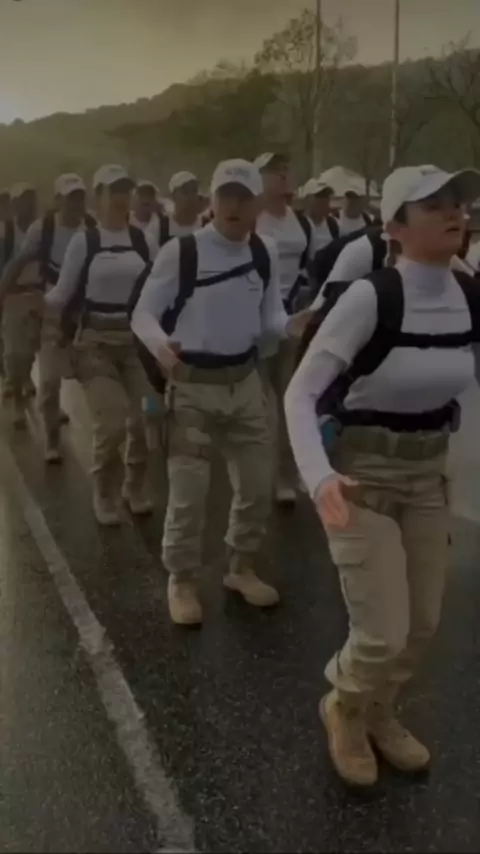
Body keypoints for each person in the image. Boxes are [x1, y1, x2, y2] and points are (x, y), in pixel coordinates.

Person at [285, 164, 480, 788]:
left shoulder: (470, 294)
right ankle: (344, 706)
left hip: (427, 475)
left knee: (421, 625)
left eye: (457, 201)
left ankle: (378, 709)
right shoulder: (371, 297)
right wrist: (319, 478)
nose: (454, 211)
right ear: (394, 227)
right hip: (360, 476)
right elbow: (300, 393)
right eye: (433, 204)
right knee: (381, 633)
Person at [131, 158, 308, 627]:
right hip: (192, 387)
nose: (234, 206)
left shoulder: (265, 252)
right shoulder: (182, 252)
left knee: (256, 486)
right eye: (226, 196)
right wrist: (160, 344)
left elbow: (269, 316)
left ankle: (240, 566)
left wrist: (289, 325)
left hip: (246, 384)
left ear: (257, 204)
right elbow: (143, 313)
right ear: (211, 200)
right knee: (188, 493)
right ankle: (182, 579)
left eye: (244, 198)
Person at [45, 164, 158, 524]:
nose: (121, 197)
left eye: (125, 190)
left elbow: (160, 289)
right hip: (95, 346)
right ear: (100, 197)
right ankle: (104, 491)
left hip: (136, 346)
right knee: (111, 424)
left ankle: (134, 486)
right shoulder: (85, 242)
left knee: (147, 416)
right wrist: (39, 313)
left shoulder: (143, 240)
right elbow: (61, 293)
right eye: (114, 191)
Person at [0, 174, 90, 453]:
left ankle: (54, 424)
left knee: (60, 377)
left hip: (75, 311)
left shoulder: (91, 228)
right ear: (58, 200)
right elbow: (16, 263)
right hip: (33, 303)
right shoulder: (39, 229)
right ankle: (23, 401)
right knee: (20, 360)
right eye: (70, 197)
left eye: (79, 197)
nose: (75, 203)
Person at [255, 152, 312, 506]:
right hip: (259, 322)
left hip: (292, 320)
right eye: (274, 171)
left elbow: (308, 267)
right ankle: (265, 475)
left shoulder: (298, 221)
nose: (282, 176)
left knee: (292, 398)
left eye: (285, 170)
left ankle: (287, 473)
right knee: (265, 405)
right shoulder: (251, 219)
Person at [0, 183, 39, 419]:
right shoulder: (6, 231)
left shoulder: (42, 229)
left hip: (39, 295)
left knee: (33, 348)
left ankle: (27, 381)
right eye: (24, 199)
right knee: (14, 353)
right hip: (13, 296)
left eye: (32, 199)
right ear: (15, 204)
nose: (29, 204)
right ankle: (17, 396)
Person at [157, 171, 203, 245]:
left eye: (194, 190)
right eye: (186, 191)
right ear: (174, 196)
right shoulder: (160, 226)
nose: (191, 196)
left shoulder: (206, 225)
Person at [302, 179, 338, 255]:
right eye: (319, 196)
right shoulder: (300, 225)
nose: (324, 200)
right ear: (307, 199)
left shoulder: (333, 225)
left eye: (326, 196)